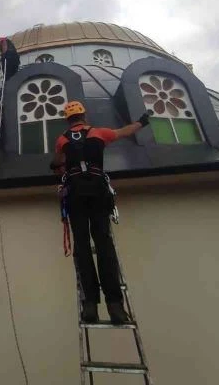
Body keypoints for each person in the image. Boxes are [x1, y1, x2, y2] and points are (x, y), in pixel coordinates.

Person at [50, 100, 150, 324]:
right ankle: (115, 306)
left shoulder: (62, 139)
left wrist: (62, 165)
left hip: (75, 195)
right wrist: (142, 122)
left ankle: (90, 306)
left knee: (82, 247)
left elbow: (57, 163)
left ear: (68, 119)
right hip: (97, 191)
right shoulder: (99, 133)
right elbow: (125, 131)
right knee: (104, 245)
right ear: (84, 116)